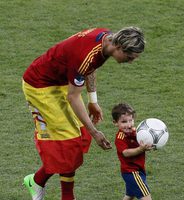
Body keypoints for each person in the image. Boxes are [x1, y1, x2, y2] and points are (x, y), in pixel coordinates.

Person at [22, 27, 145, 200]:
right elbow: (73, 96)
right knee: (69, 141)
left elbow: (90, 66)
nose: (131, 61)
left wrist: (93, 100)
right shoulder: (85, 55)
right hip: (41, 86)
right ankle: (66, 196)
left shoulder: (105, 39)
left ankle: (36, 180)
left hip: (61, 80)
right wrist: (95, 132)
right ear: (119, 47)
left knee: (78, 137)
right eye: (130, 57)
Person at [112, 103, 153, 200]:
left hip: (139, 170)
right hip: (132, 172)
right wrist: (140, 149)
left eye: (131, 120)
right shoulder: (120, 137)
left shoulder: (135, 132)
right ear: (115, 122)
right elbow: (125, 153)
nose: (129, 125)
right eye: (124, 121)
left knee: (130, 196)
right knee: (146, 197)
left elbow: (143, 138)